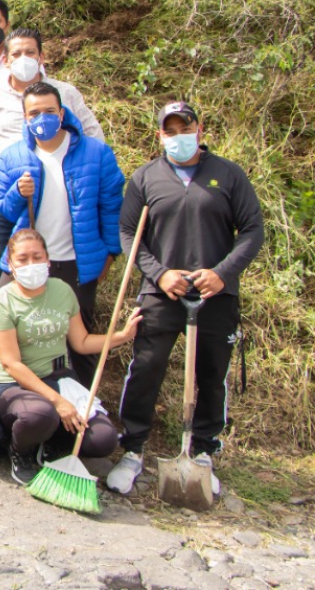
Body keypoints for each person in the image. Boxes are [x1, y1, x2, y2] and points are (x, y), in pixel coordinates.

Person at [105, 101, 264, 497]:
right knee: (146, 368)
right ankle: (134, 447)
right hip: (161, 293)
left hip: (215, 295)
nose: (179, 136)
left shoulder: (227, 175)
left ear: (200, 128)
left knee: (211, 375)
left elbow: (252, 231)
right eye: (170, 130)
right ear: (160, 134)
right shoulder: (146, 178)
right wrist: (160, 273)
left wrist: (221, 273)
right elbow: (129, 234)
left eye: (185, 127)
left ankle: (204, 451)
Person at [0, 29, 103, 362]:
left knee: (56, 277)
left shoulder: (65, 94)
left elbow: (94, 138)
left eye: (31, 52)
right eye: (16, 54)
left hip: (57, 201)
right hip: (2, 196)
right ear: (6, 59)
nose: (23, 59)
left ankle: (52, 356)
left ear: (42, 56)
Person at [0, 230, 139, 486]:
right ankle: (20, 451)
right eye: (23, 259)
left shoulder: (62, 290)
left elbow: (81, 343)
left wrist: (122, 336)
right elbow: (11, 364)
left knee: (104, 439)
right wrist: (58, 402)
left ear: (48, 260)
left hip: (59, 379)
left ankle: (49, 443)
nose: (30, 264)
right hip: (16, 385)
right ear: (11, 265)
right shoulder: (1, 302)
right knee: (40, 414)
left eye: (37, 257)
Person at [0, 82, 125, 387]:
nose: (43, 118)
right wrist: (16, 192)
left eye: (49, 111)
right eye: (34, 113)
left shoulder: (96, 153)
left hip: (77, 262)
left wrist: (110, 253)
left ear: (62, 113)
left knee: (81, 339)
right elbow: (6, 209)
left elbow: (111, 206)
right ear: (25, 118)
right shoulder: (14, 155)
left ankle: (85, 407)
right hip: (25, 261)